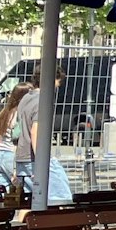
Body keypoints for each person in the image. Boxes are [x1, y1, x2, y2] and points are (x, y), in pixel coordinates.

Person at [14, 75, 73, 205]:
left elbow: (19, 129)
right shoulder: (42, 101)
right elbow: (36, 131)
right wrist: (42, 163)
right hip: (36, 159)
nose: (58, 86)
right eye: (58, 81)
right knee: (61, 198)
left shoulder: (26, 98)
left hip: (22, 158)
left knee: (32, 203)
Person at [0, 82, 32, 192]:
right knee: (28, 192)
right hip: (12, 156)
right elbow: (18, 140)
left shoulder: (5, 112)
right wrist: (16, 168)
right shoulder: (21, 114)